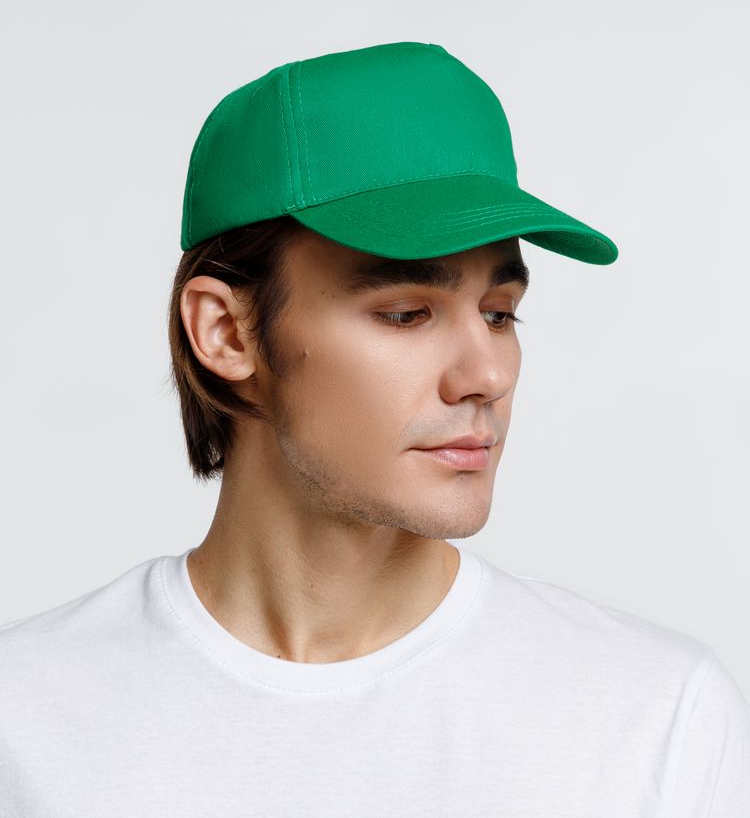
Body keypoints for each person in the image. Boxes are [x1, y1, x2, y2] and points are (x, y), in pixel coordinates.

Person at [1, 41, 748, 815]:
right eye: (407, 313)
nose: (486, 376)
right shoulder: (26, 723)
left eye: (499, 314)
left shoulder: (656, 722)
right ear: (225, 333)